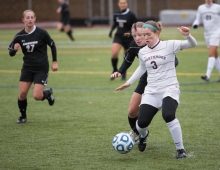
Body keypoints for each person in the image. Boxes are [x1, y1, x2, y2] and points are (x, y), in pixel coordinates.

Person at [115, 21, 197, 159]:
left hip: (169, 88)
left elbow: (192, 44)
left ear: (157, 33)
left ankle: (180, 149)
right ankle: (143, 135)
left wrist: (187, 36)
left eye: (148, 34)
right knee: (141, 124)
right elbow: (142, 67)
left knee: (168, 115)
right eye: (143, 35)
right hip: (151, 91)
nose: (145, 37)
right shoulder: (143, 51)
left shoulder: (169, 45)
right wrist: (129, 82)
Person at [111, 22, 179, 143]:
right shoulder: (133, 46)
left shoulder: (159, 44)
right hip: (145, 80)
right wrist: (120, 71)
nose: (137, 38)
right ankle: (138, 134)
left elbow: (175, 61)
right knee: (132, 111)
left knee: (163, 112)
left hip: (162, 82)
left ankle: (140, 132)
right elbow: (128, 60)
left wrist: (159, 67)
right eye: (134, 36)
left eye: (139, 35)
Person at [8, 10, 58, 123]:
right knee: (22, 93)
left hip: (41, 68)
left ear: (35, 19)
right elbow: (11, 52)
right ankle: (23, 116)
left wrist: (54, 61)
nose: (30, 19)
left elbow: (52, 45)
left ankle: (48, 94)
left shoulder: (41, 33)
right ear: (23, 20)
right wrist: (14, 50)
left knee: (37, 96)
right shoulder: (19, 36)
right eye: (27, 17)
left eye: (32, 17)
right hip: (27, 68)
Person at [109, 0, 137, 80]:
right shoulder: (116, 13)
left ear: (126, 4)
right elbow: (115, 23)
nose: (122, 4)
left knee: (125, 57)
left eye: (124, 3)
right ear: (118, 4)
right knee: (114, 53)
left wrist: (130, 32)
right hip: (118, 36)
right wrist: (111, 30)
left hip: (128, 37)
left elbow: (135, 25)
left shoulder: (131, 14)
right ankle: (114, 69)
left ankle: (123, 72)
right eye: (121, 3)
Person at [192, 0, 220, 82]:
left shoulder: (217, 7)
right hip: (207, 33)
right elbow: (197, 19)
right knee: (215, 55)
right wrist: (195, 24)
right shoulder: (201, 8)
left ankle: (207, 75)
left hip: (216, 32)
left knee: (211, 53)